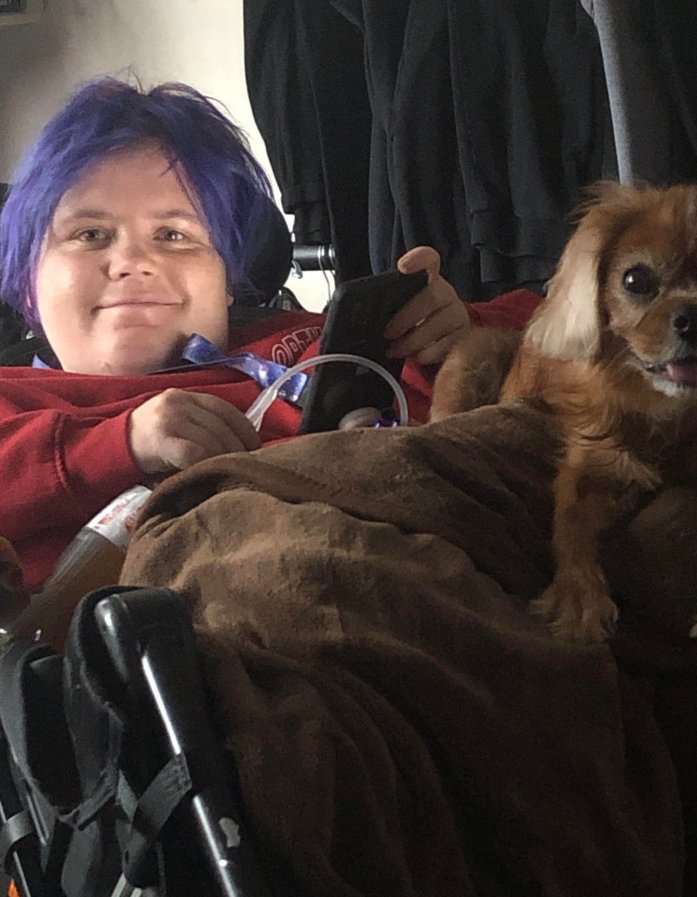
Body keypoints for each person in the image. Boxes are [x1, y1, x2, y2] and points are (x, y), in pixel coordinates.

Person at [0, 78, 542, 592]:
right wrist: (120, 444)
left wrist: (461, 337)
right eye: (91, 234)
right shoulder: (15, 403)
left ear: (228, 281)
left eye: (173, 234)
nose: (133, 261)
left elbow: (559, 327)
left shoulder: (315, 343)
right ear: (26, 283)